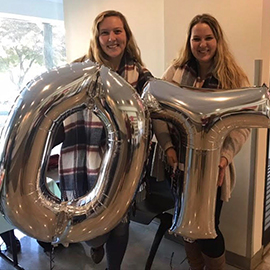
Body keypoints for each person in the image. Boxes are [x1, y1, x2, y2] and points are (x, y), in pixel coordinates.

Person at [154, 13, 250, 270]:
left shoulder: (233, 79)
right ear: (189, 41)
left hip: (214, 170)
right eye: (197, 38)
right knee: (186, 226)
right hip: (180, 166)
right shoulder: (175, 72)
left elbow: (241, 128)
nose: (202, 44)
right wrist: (168, 147)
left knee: (208, 232)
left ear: (217, 40)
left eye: (208, 38)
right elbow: (157, 111)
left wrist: (224, 159)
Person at [58, 10, 152, 270]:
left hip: (120, 165)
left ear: (126, 35)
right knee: (90, 226)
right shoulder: (79, 70)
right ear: (97, 37)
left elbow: (152, 116)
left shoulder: (141, 76)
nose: (112, 38)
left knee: (119, 226)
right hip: (83, 158)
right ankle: (96, 244)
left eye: (117, 31)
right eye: (105, 32)